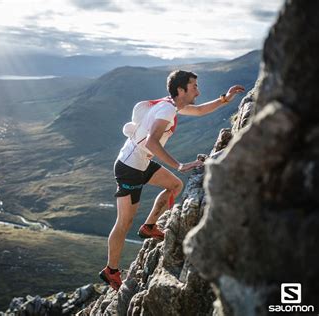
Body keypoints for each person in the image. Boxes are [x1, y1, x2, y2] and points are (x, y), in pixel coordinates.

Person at [99, 70, 245, 290]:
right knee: (124, 222)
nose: (198, 90)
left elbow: (198, 110)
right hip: (129, 168)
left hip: (142, 164)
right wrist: (180, 165)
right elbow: (151, 142)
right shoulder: (167, 109)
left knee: (175, 185)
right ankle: (111, 271)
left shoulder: (172, 104)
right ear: (181, 90)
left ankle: (149, 226)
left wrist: (225, 98)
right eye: (194, 86)